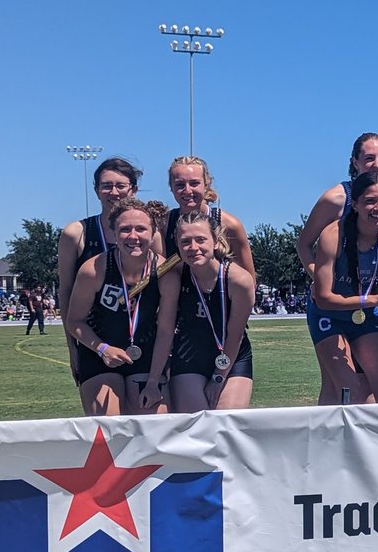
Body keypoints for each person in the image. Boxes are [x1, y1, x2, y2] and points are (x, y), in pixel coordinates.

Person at [297, 133, 378, 405]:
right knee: (345, 386)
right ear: (354, 162)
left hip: (364, 307)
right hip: (332, 306)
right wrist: (322, 280)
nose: (377, 164)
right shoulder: (337, 198)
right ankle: (326, 443)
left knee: (352, 387)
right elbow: (303, 245)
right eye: (369, 158)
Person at [66, 198, 179, 416]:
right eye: (125, 229)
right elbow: (74, 320)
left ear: (153, 232)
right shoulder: (94, 269)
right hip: (99, 353)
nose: (133, 236)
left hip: (146, 355)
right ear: (114, 233)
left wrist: (154, 380)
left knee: (155, 426)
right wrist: (102, 348)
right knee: (110, 425)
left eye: (141, 229)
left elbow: (165, 331)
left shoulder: (165, 272)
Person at [310, 171, 378, 404]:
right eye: (370, 201)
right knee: (348, 388)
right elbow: (324, 298)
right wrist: (374, 300)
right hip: (329, 315)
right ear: (354, 205)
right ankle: (329, 439)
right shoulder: (333, 235)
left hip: (364, 316)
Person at [57, 158, 143, 388]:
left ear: (133, 189)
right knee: (109, 421)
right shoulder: (76, 233)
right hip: (94, 342)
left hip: (143, 341)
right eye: (106, 186)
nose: (113, 192)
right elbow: (65, 292)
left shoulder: (148, 234)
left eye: (121, 186)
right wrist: (73, 348)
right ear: (96, 191)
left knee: (148, 421)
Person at [168, 211, 255, 411]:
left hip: (232, 356)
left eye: (200, 240)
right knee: (197, 426)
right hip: (189, 356)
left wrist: (219, 377)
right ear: (178, 244)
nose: (193, 248)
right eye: (185, 241)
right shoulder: (174, 275)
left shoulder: (238, 280)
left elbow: (235, 335)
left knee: (226, 424)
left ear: (216, 241)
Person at [163, 155, 255, 279]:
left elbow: (248, 280)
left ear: (206, 184)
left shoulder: (230, 225)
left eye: (194, 183)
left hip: (221, 296)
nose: (187, 190)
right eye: (180, 185)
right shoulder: (164, 224)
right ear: (171, 187)